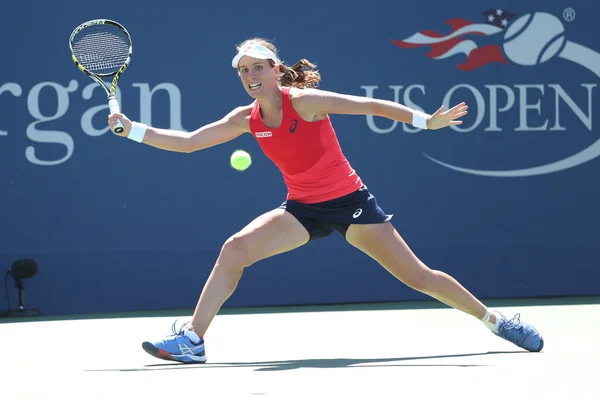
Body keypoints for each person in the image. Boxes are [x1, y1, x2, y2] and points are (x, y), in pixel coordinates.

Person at [108, 38, 544, 363]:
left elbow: (370, 105)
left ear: (276, 70)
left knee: (419, 278)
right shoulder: (245, 118)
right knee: (234, 249)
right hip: (301, 209)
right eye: (243, 71)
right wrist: (134, 130)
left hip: (351, 203)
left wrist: (425, 122)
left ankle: (498, 321)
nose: (250, 77)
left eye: (258, 68)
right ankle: (194, 340)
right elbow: (187, 142)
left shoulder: (309, 103)